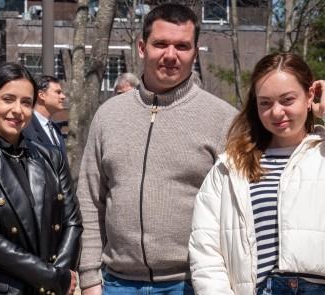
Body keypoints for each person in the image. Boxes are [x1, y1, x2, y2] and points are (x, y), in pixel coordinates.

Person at [77, 3, 237, 295]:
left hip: (191, 283)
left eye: (182, 46)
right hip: (115, 284)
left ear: (195, 50)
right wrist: (89, 279)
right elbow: (89, 200)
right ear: (142, 47)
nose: (171, 55)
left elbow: (240, 213)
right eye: (161, 44)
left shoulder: (223, 119)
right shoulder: (108, 116)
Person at [189, 52, 325, 294]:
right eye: (266, 103)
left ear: (310, 96)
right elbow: (206, 249)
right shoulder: (230, 167)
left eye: (287, 100)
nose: (276, 112)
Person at [0, 63, 83, 295]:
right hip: (2, 289)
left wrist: (59, 276)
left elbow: (72, 222)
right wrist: (52, 276)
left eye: (26, 102)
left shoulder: (51, 157)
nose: (17, 110)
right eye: (8, 99)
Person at [23, 75, 68, 159]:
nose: (63, 96)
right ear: (41, 95)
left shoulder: (55, 128)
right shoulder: (26, 126)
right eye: (58, 92)